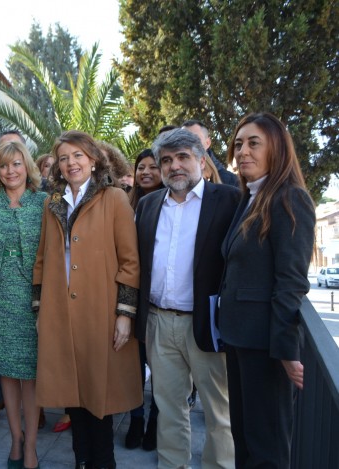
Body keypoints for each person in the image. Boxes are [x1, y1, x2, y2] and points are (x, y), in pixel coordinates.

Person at [33, 130, 141, 469]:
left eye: (78, 155)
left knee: (99, 395)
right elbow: (42, 259)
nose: (71, 163)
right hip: (60, 312)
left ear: (93, 160)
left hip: (100, 312)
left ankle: (102, 462)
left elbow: (130, 260)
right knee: (71, 394)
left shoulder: (114, 198)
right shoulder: (53, 204)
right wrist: (40, 310)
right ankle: (81, 460)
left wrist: (124, 313)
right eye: (64, 158)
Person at [135, 128, 239, 469]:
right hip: (159, 323)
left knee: (218, 413)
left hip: (206, 324)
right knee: (168, 408)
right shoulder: (148, 205)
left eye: (182, 157)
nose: (174, 166)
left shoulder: (227, 200)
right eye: (166, 160)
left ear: (200, 160)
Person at [219, 112, 315, 468]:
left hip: (266, 347)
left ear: (276, 147)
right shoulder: (248, 197)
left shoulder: (290, 198)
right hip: (239, 339)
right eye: (238, 144)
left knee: (267, 451)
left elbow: (291, 281)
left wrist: (288, 350)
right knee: (244, 441)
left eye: (253, 143)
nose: (242, 151)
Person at [0, 141, 47, 469]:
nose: (11, 171)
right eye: (4, 166)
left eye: (17, 164)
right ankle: (15, 440)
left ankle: (31, 445)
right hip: (0, 298)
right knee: (6, 372)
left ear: (27, 166)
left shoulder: (45, 203)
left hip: (35, 298)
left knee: (31, 374)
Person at [125, 147, 164, 452]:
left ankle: (155, 420)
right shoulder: (125, 203)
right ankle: (136, 418)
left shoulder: (169, 203)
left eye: (153, 166)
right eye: (141, 167)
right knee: (134, 364)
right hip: (130, 297)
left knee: (162, 367)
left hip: (159, 298)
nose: (147, 172)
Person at [182, 119, 237, 186]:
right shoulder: (173, 179)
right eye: (183, 140)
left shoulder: (230, 181)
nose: (188, 144)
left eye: (195, 139)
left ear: (208, 143)